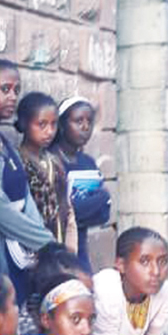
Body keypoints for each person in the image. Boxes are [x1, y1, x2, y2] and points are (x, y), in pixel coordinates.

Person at [0, 60, 54, 319]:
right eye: (4, 89)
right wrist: (46, 243)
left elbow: (25, 196)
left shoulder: (4, 142)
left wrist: (42, 241)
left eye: (16, 90)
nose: (12, 97)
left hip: (22, 250)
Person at [53, 97, 111, 277]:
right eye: (78, 121)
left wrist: (80, 211)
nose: (85, 127)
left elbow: (103, 215)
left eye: (89, 121)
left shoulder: (87, 162)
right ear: (62, 125)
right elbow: (60, 214)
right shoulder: (51, 160)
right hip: (55, 249)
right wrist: (99, 199)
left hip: (81, 245)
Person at [15, 92, 71, 247]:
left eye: (53, 124)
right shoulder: (18, 162)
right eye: (42, 124)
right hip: (33, 244)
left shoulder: (55, 162)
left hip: (59, 240)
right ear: (24, 123)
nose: (49, 131)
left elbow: (66, 205)